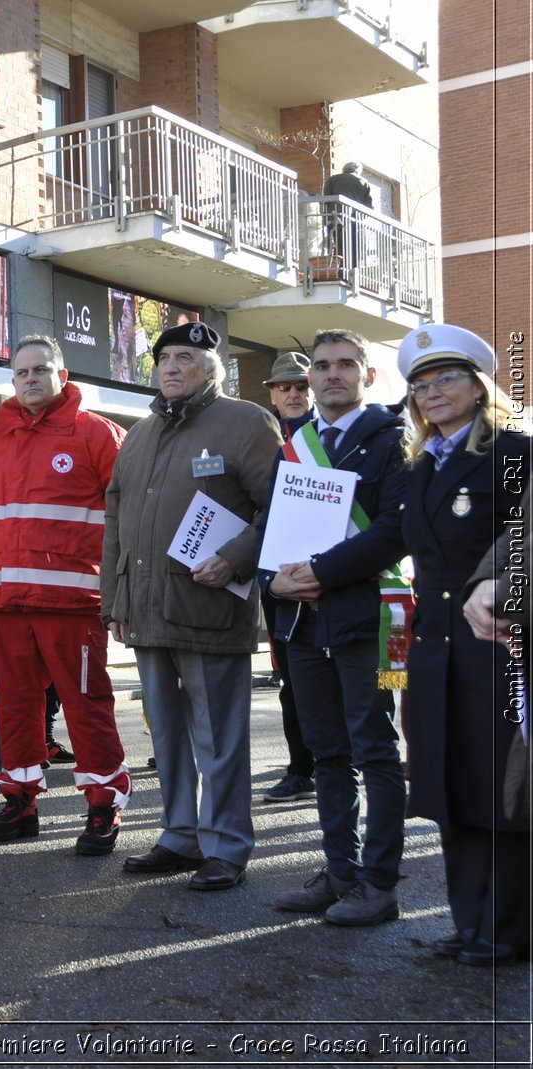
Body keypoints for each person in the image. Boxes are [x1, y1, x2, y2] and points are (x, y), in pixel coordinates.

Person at [102, 322, 280, 890]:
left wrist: (235, 557)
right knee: (166, 734)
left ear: (212, 368)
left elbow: (277, 507)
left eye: (186, 357)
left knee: (218, 735)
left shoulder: (248, 422)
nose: (172, 366)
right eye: (164, 358)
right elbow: (115, 524)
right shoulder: (138, 433)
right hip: (146, 609)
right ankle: (179, 835)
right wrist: (114, 599)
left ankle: (225, 844)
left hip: (208, 603)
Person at [263, 329, 410, 924]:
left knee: (375, 749)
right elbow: (273, 525)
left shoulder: (394, 443)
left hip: (374, 620)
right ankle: (338, 871)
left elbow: (392, 533)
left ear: (367, 376)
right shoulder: (294, 446)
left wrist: (318, 572)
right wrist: (273, 579)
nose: (331, 375)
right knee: (327, 753)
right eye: (322, 366)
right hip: (302, 622)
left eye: (345, 364)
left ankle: (378, 883)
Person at [396, 324, 529, 963]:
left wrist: (506, 582)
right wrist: (310, 567)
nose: (431, 392)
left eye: (445, 379)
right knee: (452, 786)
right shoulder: (421, 467)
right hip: (436, 647)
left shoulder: (515, 452)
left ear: (479, 386)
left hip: (496, 641)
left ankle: (508, 929)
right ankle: (468, 922)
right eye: (420, 385)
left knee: (500, 791)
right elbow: (390, 544)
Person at [0, 336, 131, 855]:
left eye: (41, 369)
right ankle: (20, 799)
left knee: (86, 706)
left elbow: (127, 517)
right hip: (5, 601)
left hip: (72, 601)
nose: (30, 379)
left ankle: (103, 803)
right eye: (21, 372)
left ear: (63, 375)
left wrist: (120, 592)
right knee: (12, 706)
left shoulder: (97, 434)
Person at [258, 352, 318, 804]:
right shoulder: (261, 440)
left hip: (333, 578)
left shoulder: (332, 435)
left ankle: (361, 761)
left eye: (301, 385)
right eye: (284, 387)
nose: (293, 394)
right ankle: (301, 769)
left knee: (362, 684)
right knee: (292, 681)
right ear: (273, 394)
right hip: (277, 582)